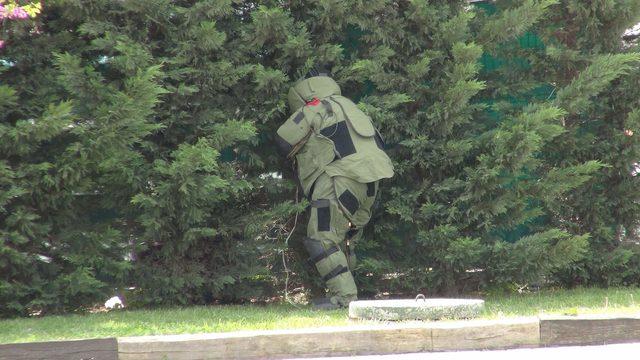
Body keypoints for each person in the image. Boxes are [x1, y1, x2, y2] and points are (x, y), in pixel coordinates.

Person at [275, 69, 394, 309]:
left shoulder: (314, 107)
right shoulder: (350, 106)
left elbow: (283, 141)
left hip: (338, 179)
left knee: (321, 239)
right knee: (343, 238)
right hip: (371, 181)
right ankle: (349, 295)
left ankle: (345, 299)